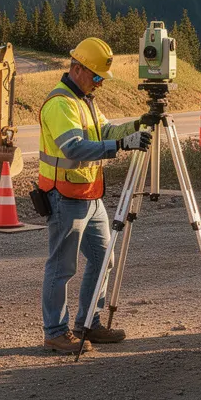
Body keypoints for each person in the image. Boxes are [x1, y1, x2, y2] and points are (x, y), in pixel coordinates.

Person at [38, 37, 153, 354]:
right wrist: (120, 147)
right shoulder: (60, 104)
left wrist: (137, 125)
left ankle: (88, 323)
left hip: (90, 194)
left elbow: (105, 131)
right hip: (64, 196)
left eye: (102, 78)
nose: (100, 84)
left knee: (105, 259)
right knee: (62, 268)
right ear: (77, 69)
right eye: (97, 76)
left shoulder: (85, 100)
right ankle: (55, 331)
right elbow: (73, 147)